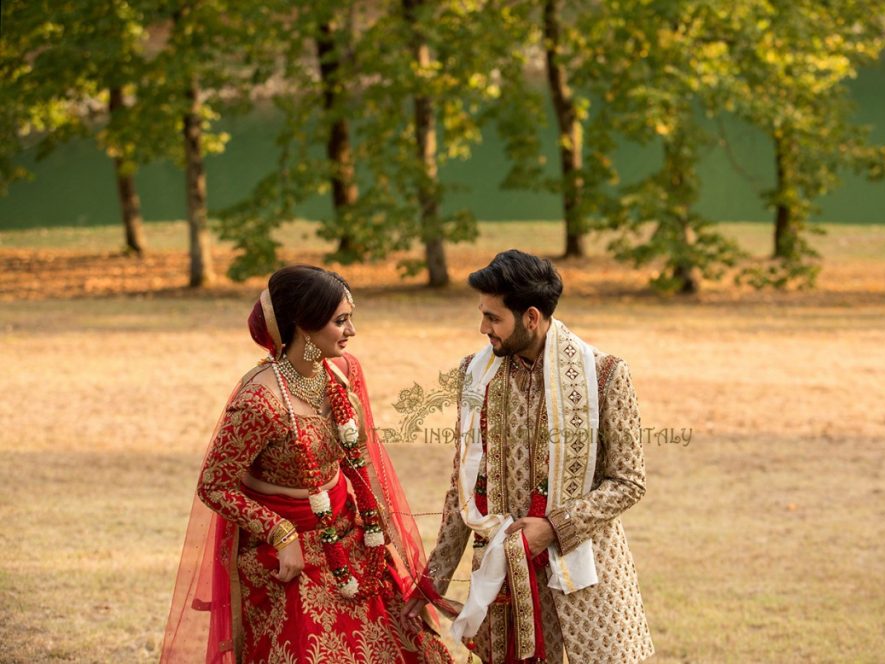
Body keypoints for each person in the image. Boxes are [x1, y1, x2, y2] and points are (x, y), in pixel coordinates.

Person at [161, 265, 452, 663]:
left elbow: (359, 454)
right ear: (304, 325)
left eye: (350, 318)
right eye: (341, 321)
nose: (352, 331)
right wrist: (281, 535)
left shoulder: (345, 372)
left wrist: (377, 523)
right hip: (283, 556)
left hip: (347, 531)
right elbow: (214, 486)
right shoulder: (259, 402)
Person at [404, 250, 655, 663]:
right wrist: (434, 579)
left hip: (584, 576)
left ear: (532, 317)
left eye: (493, 317)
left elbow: (629, 481)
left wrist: (553, 527)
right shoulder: (476, 375)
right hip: (504, 578)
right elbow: (463, 492)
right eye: (483, 315)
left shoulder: (605, 374)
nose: (483, 327)